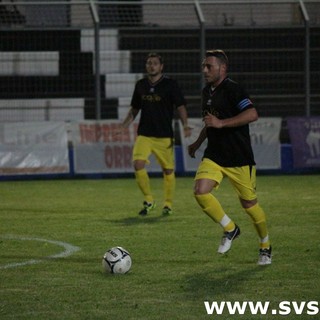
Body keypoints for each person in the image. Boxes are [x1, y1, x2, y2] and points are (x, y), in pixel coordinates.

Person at [188, 49, 272, 265]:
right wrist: (197, 143)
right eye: (204, 66)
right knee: (200, 191)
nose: (204, 70)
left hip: (239, 157)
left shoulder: (234, 89)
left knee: (250, 206)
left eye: (209, 66)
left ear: (222, 68)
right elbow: (210, 121)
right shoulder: (206, 92)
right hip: (215, 155)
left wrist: (222, 123)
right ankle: (230, 228)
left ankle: (265, 245)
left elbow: (252, 114)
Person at [118, 52, 192, 216]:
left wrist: (185, 125)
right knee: (138, 164)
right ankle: (149, 200)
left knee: (168, 171)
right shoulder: (141, 85)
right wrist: (124, 125)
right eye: (149, 63)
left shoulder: (170, 85)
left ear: (161, 67)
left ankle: (168, 204)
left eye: (155, 63)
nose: (151, 66)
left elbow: (180, 106)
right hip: (144, 134)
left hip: (164, 135)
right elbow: (135, 108)